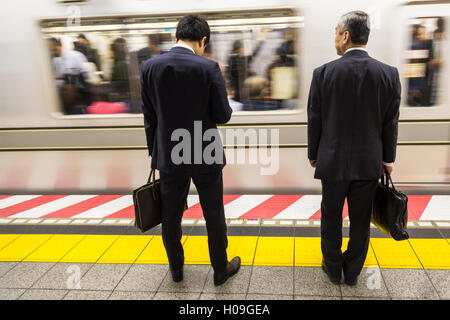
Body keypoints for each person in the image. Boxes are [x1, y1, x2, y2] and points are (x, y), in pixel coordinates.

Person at [140, 15, 240, 286]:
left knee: (170, 214)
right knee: (213, 213)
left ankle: (176, 269)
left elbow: (149, 117)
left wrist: (156, 153)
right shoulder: (209, 68)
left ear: (177, 36)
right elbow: (223, 114)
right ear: (202, 40)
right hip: (205, 152)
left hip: (170, 155)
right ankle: (220, 269)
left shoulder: (149, 67)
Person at [307, 11, 401, 286]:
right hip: (369, 162)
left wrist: (314, 154)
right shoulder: (389, 74)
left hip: (332, 161)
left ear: (346, 36)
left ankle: (333, 267)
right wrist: (388, 158)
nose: (334, 38)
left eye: (336, 32)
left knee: (331, 215)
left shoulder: (323, 73)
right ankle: (353, 272)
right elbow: (390, 122)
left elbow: (315, 119)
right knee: (361, 219)